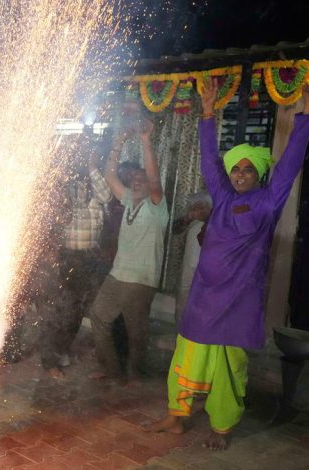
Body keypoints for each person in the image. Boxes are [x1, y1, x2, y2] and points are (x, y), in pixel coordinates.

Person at [147, 83, 309, 450]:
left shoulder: (269, 202)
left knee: (229, 370)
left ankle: (221, 429)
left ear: (259, 175)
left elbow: (291, 162)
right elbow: (208, 161)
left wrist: (305, 114)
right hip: (204, 297)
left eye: (248, 170)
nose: (240, 175)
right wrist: (207, 112)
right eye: (236, 169)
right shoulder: (221, 198)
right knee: (185, 357)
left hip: (239, 303)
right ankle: (176, 416)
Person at [89, 119, 168, 382]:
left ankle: (135, 373)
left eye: (141, 178)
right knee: (99, 317)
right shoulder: (128, 201)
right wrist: (119, 142)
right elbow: (110, 176)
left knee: (136, 332)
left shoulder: (156, 206)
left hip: (141, 280)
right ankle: (112, 370)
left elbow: (154, 178)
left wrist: (145, 141)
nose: (136, 181)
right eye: (133, 178)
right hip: (117, 274)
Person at [48, 137, 112, 378]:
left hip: (88, 259)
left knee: (76, 310)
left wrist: (93, 167)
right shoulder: (70, 185)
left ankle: (62, 351)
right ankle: (50, 360)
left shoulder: (98, 191)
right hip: (67, 256)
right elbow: (56, 210)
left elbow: (106, 196)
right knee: (59, 309)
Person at [173, 192, 212, 325]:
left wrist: (207, 215)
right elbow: (175, 230)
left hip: (209, 269)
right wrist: (188, 218)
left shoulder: (220, 208)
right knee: (183, 302)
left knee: (205, 304)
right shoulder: (192, 215)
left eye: (203, 206)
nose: (199, 208)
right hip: (189, 266)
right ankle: (180, 333)